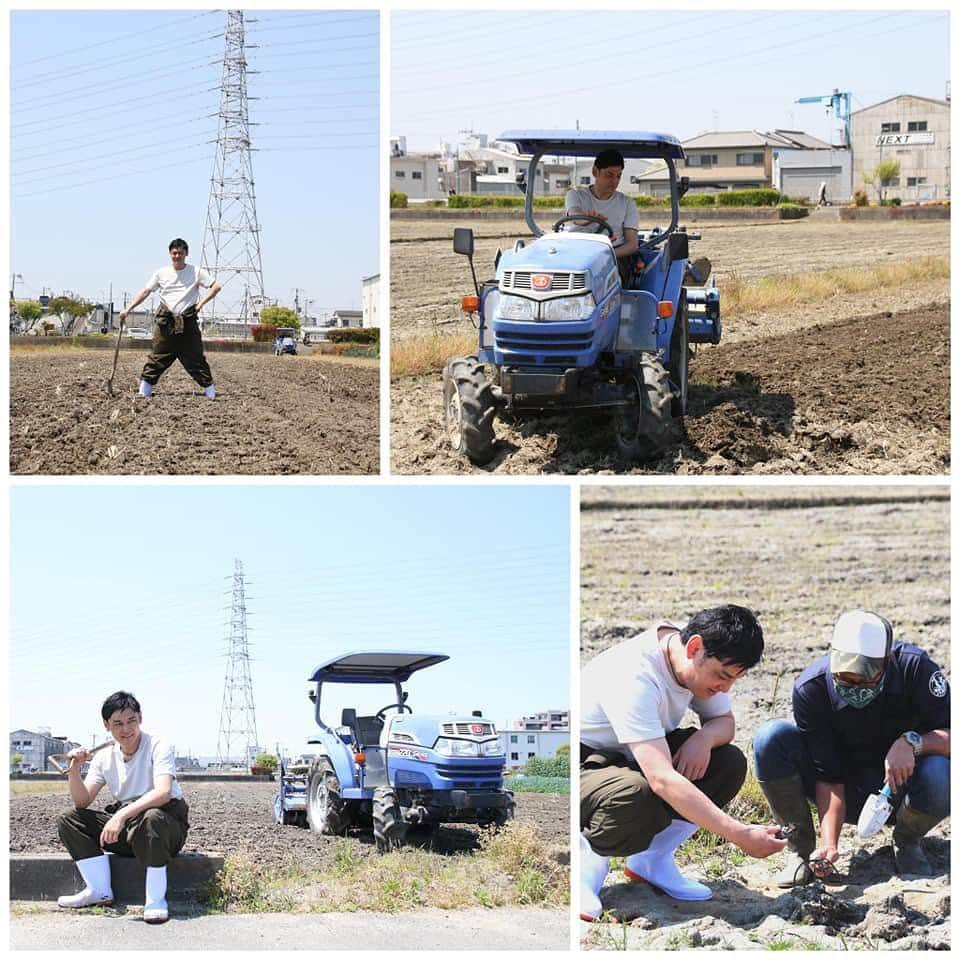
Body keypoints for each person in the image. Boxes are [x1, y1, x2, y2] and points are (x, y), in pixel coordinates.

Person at [580, 605, 787, 921]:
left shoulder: (695, 652)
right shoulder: (633, 674)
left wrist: (703, 739)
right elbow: (661, 778)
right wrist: (740, 834)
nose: (725, 688)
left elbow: (724, 722)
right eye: (721, 676)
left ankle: (652, 861)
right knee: (634, 795)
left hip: (634, 755)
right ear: (694, 648)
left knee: (727, 762)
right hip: (585, 764)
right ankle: (587, 865)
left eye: (734, 679)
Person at [753, 610, 950, 886]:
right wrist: (829, 845)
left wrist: (913, 742)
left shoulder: (915, 669)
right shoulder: (812, 688)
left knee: (943, 769)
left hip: (906, 792)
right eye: (845, 678)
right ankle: (800, 851)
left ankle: (908, 842)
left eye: (866, 678)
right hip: (848, 791)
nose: (855, 686)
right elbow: (828, 777)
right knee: (770, 738)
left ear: (887, 661)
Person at [56, 691, 190, 924]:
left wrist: (120, 815)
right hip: (131, 828)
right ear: (106, 725)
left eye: (131, 721)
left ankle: (156, 900)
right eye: (117, 723)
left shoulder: (158, 745)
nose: (125, 729)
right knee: (70, 819)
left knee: (152, 818)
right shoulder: (104, 756)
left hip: (166, 826)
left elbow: (163, 791)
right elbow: (82, 801)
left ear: (140, 717)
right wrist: (75, 770)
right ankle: (99, 890)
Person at [119, 238, 221, 399]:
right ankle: (144, 390)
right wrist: (128, 309)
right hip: (165, 322)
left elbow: (216, 286)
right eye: (174, 253)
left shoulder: (196, 272)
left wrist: (200, 304)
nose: (177, 256)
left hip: (188, 321)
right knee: (157, 355)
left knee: (195, 357)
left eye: (180, 253)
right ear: (169, 254)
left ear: (186, 254)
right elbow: (145, 292)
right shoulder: (161, 273)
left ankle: (210, 391)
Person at [563, 149, 640, 284]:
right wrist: (585, 219)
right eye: (609, 175)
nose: (614, 181)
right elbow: (575, 214)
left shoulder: (627, 203)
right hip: (577, 253)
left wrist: (604, 256)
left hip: (612, 256)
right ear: (595, 172)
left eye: (618, 176)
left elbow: (632, 244)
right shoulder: (575, 196)